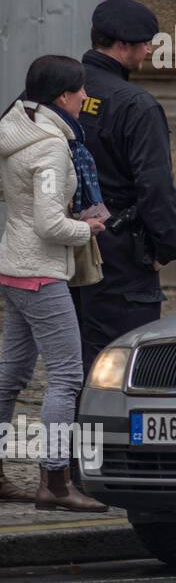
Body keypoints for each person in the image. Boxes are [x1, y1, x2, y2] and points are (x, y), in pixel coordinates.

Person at [0, 56, 107, 510]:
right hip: (41, 271)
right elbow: (47, 223)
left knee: (11, 376)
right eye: (80, 91)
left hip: (12, 266)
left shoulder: (15, 130)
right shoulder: (49, 146)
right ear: (62, 97)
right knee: (66, 375)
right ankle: (56, 483)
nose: (86, 98)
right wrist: (88, 230)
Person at [74, 0, 176, 379]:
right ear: (123, 46)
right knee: (120, 364)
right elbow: (155, 185)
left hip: (57, 246)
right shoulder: (136, 105)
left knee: (67, 364)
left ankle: (70, 437)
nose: (151, 49)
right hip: (120, 253)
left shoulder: (53, 89)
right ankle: (107, 439)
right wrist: (167, 247)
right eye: (146, 42)